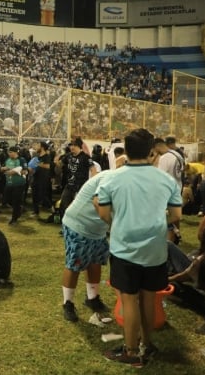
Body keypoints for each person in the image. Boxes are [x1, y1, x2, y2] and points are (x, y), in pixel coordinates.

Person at [95, 128, 182, 367]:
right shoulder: (166, 180)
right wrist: (153, 225)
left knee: (129, 300)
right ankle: (148, 344)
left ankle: (131, 353)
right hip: (155, 249)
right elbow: (175, 215)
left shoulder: (112, 178)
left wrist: (120, 223)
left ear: (126, 148)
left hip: (124, 248)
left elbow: (103, 212)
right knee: (148, 298)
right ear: (152, 151)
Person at [61, 172, 111, 322]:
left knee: (95, 262)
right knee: (75, 264)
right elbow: (97, 202)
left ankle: (92, 298)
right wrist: (115, 224)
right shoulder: (110, 178)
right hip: (79, 224)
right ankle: (67, 303)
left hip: (98, 229)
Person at [58, 137, 97, 221]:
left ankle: (75, 225)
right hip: (69, 185)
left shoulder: (85, 157)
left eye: (74, 145)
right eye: (71, 145)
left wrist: (92, 184)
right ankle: (64, 224)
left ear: (79, 146)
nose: (72, 147)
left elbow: (93, 170)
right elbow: (59, 164)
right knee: (63, 205)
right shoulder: (68, 156)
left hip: (80, 187)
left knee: (77, 208)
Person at [1, 146, 27, 225]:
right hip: (9, 183)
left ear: (16, 152)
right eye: (9, 152)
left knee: (16, 201)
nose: (9, 154)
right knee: (7, 200)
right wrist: (3, 169)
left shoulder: (21, 160)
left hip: (18, 184)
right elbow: (3, 168)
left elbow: (25, 172)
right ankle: (19, 208)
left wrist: (15, 171)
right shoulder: (7, 160)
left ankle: (14, 219)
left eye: (11, 152)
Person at [30, 141, 52, 218]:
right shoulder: (37, 156)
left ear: (42, 147)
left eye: (38, 145)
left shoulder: (46, 156)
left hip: (43, 179)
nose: (36, 147)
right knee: (34, 195)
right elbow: (33, 167)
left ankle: (51, 208)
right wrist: (31, 169)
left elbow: (47, 166)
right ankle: (36, 211)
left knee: (42, 195)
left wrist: (37, 164)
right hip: (35, 177)